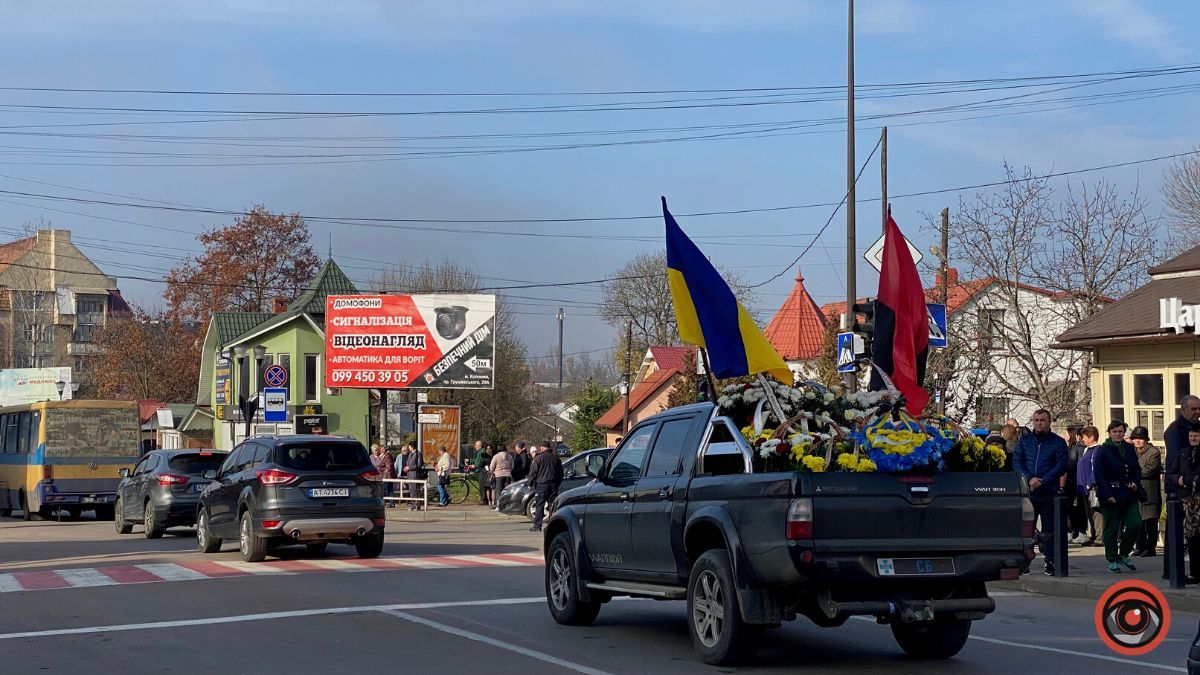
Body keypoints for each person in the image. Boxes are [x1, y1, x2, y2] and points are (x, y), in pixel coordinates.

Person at [1013, 409, 1069, 576]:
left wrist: (1042, 480)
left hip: (1048, 491)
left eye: (1042, 420)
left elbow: (1061, 465)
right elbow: (1017, 462)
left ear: (1049, 421)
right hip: (1028, 492)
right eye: (1036, 420)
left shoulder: (1058, 442)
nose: (1039, 423)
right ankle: (1026, 561)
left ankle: (1050, 560)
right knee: (1026, 530)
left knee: (1050, 529)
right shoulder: (1025, 441)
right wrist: (1030, 478)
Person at [1094, 421, 1143, 573]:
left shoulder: (1129, 448)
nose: (1118, 434)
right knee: (1111, 528)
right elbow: (1099, 474)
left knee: (1135, 523)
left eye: (1120, 431)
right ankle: (1112, 558)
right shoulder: (1103, 450)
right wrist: (1107, 494)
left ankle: (1123, 553)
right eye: (1114, 431)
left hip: (1128, 493)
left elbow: (1136, 469)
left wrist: (1135, 482)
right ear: (1109, 433)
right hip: (1110, 494)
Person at [1164, 396, 1200, 578]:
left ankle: (1195, 571)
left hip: (1196, 490)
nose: (1197, 412)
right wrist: (1176, 482)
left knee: (1195, 532)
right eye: (1194, 409)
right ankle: (1171, 571)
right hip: (1179, 488)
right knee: (1176, 530)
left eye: (1199, 409)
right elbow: (1173, 461)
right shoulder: (1175, 430)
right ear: (1184, 409)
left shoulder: (1197, 427)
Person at [1130, 426, 1162, 556]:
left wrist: (1133, 472)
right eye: (1135, 438)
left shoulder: (1153, 452)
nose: (1138, 441)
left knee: (1150, 522)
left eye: (1140, 438)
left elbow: (1149, 470)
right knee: (1138, 522)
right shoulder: (1131, 451)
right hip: (1135, 492)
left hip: (1149, 492)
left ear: (1146, 439)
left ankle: (1150, 548)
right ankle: (1140, 546)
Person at [528, 440, 564, 532]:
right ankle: (553, 525)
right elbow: (561, 473)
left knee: (539, 504)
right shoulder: (556, 458)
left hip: (541, 484)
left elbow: (533, 472)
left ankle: (537, 525)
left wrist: (530, 483)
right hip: (553, 484)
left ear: (542, 448)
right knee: (552, 505)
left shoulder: (538, 458)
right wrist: (557, 483)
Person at [1076, 426, 1103, 546]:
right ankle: (1092, 534)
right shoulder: (1087, 450)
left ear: (1092, 437)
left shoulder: (1097, 450)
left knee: (1096, 512)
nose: (1083, 440)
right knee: (1089, 512)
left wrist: (1090, 483)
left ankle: (1099, 537)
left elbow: (1096, 468)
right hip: (1083, 487)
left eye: (1085, 437)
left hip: (1092, 487)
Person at [1064, 425, 1090, 545]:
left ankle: (1079, 531)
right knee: (1075, 508)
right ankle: (1076, 531)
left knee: (1076, 508)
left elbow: (1071, 464)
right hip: (1075, 482)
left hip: (1073, 482)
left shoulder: (1075, 449)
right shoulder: (1075, 448)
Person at [488, 444, 513, 510]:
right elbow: (512, 466)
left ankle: (498, 505)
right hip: (508, 475)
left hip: (498, 475)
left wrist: (492, 471)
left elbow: (491, 467)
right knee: (507, 491)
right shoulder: (510, 456)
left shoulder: (496, 456)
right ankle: (506, 505)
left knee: (498, 491)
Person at [405, 443, 425, 510]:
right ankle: (413, 504)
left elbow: (419, 465)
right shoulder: (410, 454)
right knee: (411, 490)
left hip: (415, 474)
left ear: (412, 447)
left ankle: (416, 505)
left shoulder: (418, 454)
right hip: (410, 474)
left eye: (409, 446)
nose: (409, 448)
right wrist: (406, 467)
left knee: (415, 490)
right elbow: (408, 462)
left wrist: (409, 468)